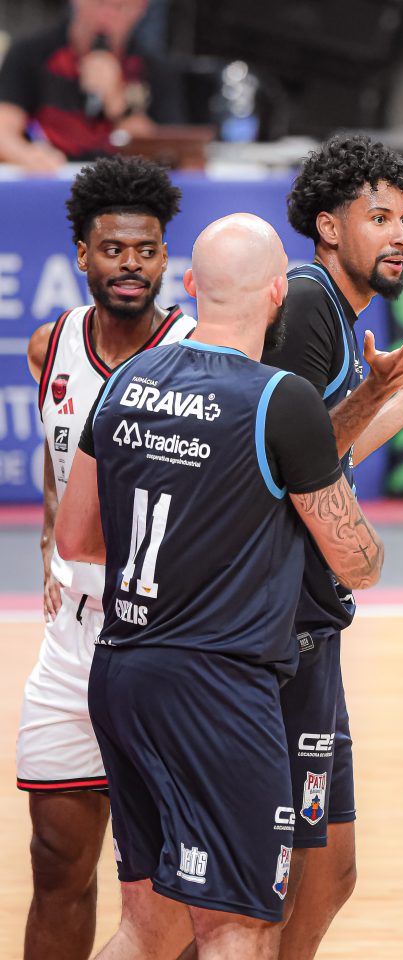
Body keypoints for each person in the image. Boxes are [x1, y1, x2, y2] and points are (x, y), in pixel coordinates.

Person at [54, 212, 385, 960]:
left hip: (123, 673)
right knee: (239, 927)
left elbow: (76, 539)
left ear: (191, 285)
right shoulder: (279, 399)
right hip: (219, 692)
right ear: (277, 293)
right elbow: (355, 563)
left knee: (148, 928)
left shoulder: (126, 380)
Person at [262, 135, 403, 960]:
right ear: (329, 226)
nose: (401, 235)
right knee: (265, 887)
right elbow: (286, 464)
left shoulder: (336, 310)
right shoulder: (310, 305)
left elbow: (327, 444)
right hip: (278, 630)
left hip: (311, 626)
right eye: (379, 217)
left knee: (329, 874)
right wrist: (380, 393)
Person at [17, 154, 196, 960]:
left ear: (166, 258)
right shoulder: (50, 345)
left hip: (167, 638)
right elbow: (56, 459)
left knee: (173, 882)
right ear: (83, 254)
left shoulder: (198, 353)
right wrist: (48, 539)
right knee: (56, 858)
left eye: (146, 250)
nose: (131, 264)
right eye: (114, 249)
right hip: (72, 638)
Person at [0, 0, 184, 173]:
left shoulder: (154, 68)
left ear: (141, 8)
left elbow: (168, 152)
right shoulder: (31, 53)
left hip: (122, 187)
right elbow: (4, 128)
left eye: (120, 7)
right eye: (98, 3)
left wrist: (117, 101)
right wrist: (25, 155)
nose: (106, 16)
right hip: (54, 177)